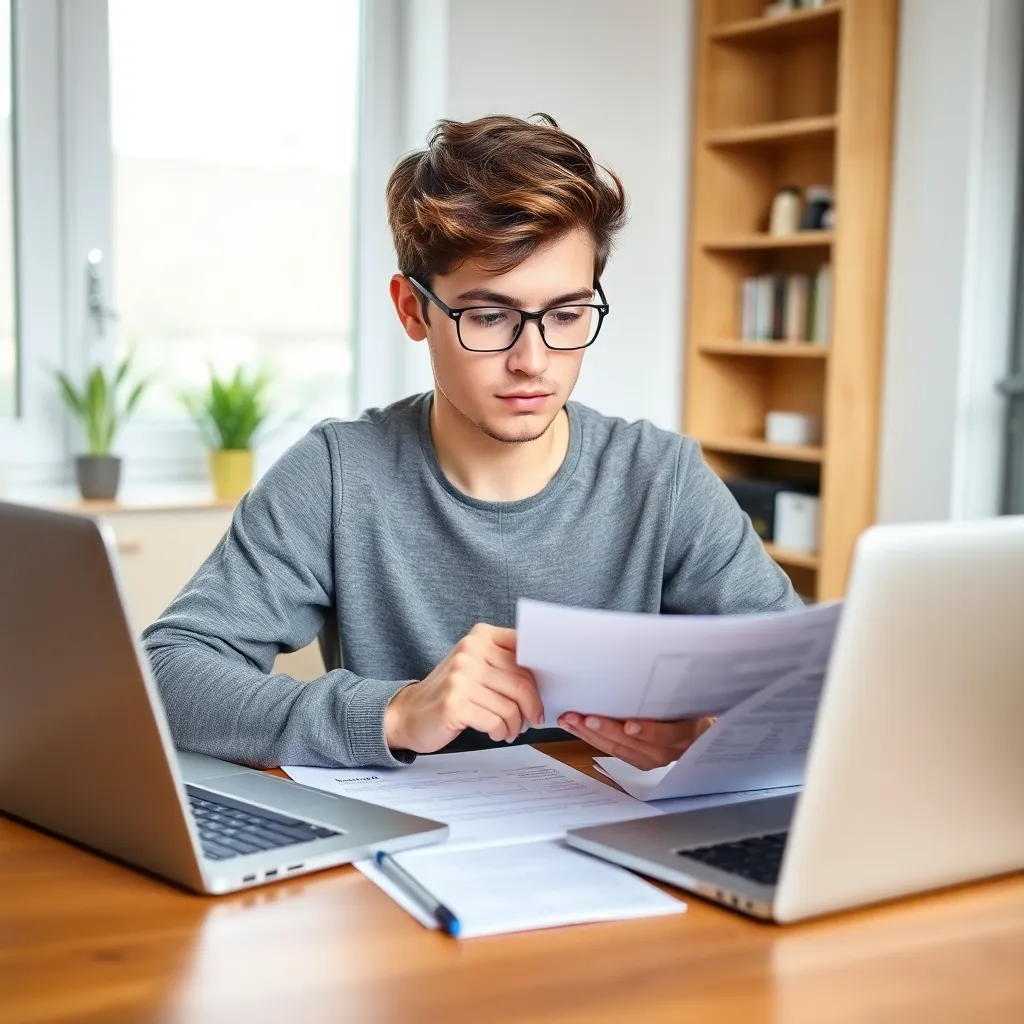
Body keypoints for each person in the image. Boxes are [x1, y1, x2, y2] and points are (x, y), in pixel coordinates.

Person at [142, 114, 800, 774]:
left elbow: (801, 686)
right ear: (412, 310)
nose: (533, 360)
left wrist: (704, 733)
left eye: (567, 314)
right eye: (489, 316)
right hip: (392, 857)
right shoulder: (337, 475)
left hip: (611, 848)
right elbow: (167, 676)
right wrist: (395, 712)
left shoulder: (662, 480)